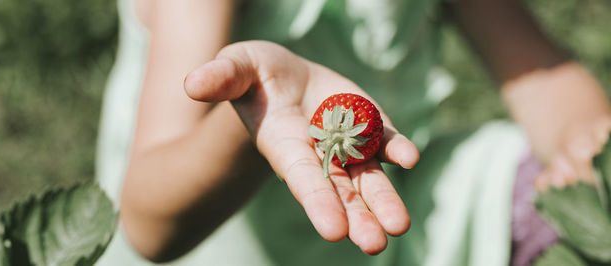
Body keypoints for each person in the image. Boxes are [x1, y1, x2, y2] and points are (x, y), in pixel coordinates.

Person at [95, 0, 611, 265]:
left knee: (519, 171)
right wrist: (256, 123)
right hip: (228, 243)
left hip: (383, 205)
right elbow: (149, 225)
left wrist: (587, 142)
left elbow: (541, 77)